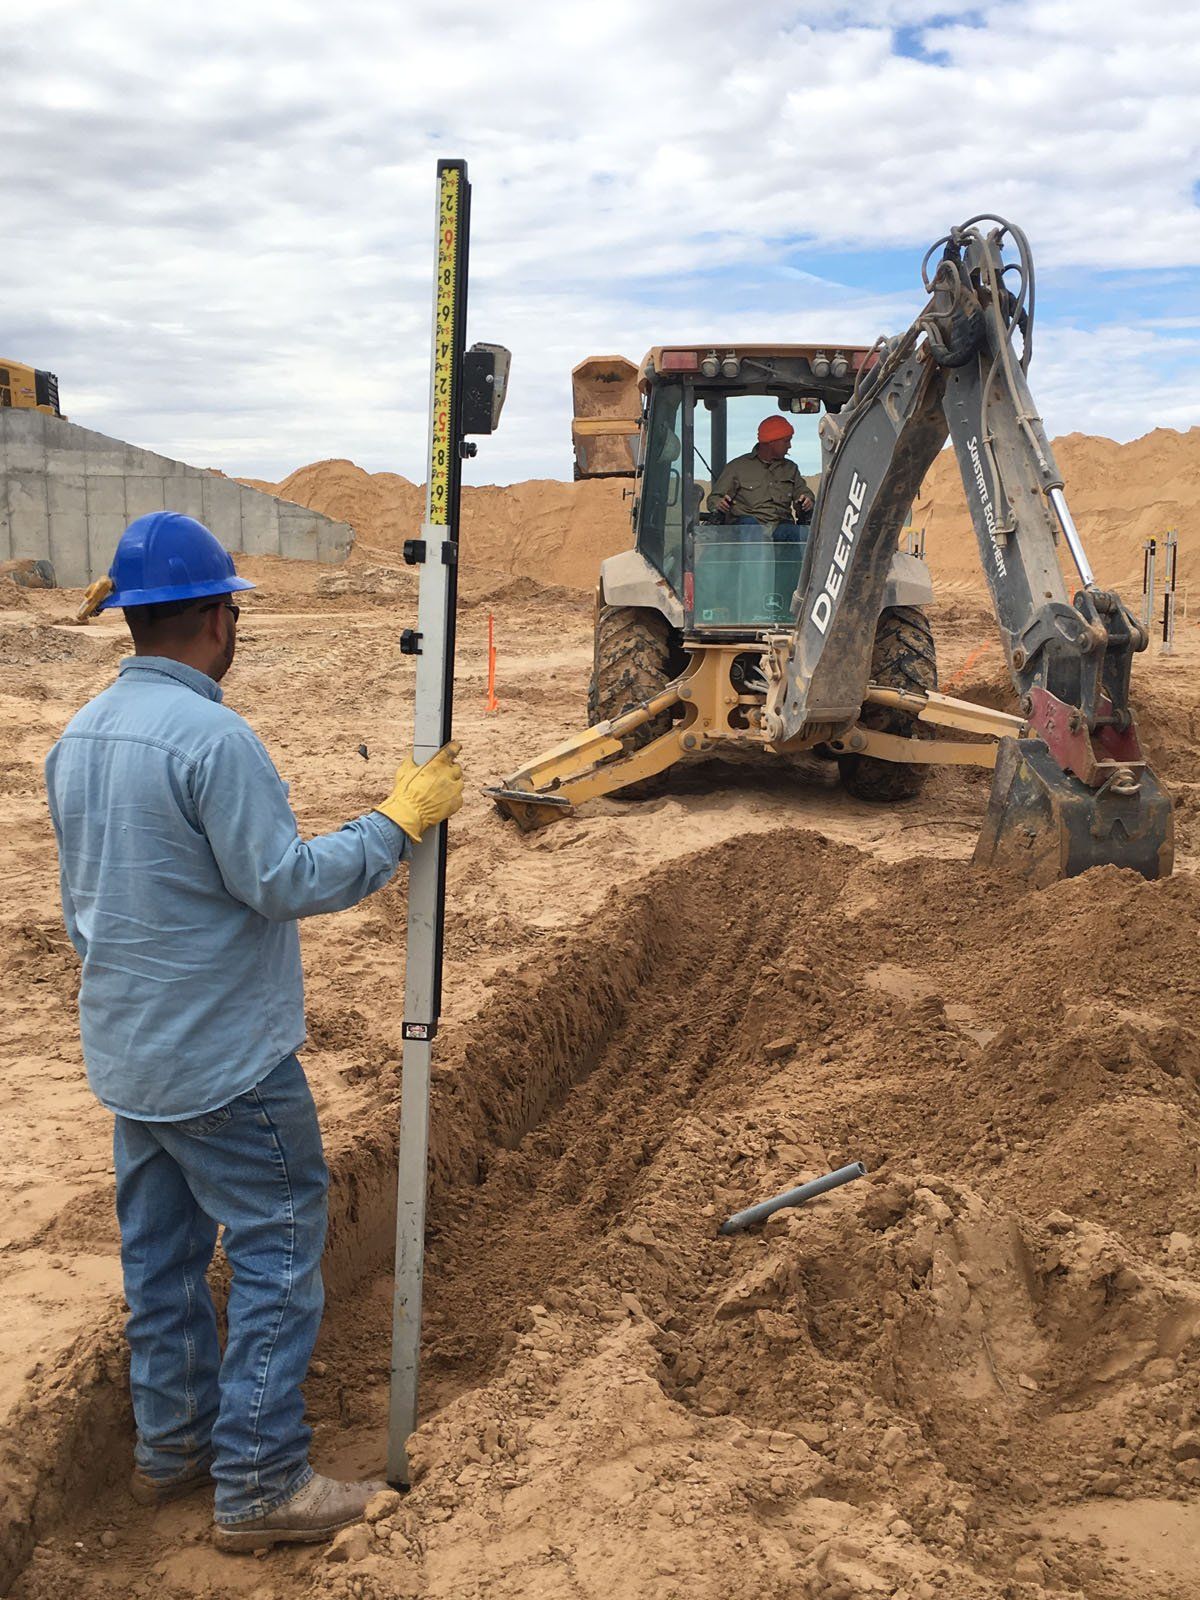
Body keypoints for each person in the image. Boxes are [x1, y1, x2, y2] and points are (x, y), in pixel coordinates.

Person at [44, 512, 464, 1554]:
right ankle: (263, 1481)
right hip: (225, 1062)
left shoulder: (78, 734)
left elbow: (84, 904)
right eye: (233, 609)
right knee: (278, 1247)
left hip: (132, 1056)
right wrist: (395, 822)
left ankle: (174, 1444)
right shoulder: (214, 739)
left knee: (164, 1260)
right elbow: (281, 881)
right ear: (215, 619)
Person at [707, 414, 818, 537]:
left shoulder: (790, 469)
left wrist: (807, 500)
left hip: (781, 527)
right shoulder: (737, 467)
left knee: (792, 532)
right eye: (786, 441)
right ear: (771, 443)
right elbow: (715, 498)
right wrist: (718, 503)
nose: (789, 446)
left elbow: (803, 492)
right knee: (750, 527)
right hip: (748, 530)